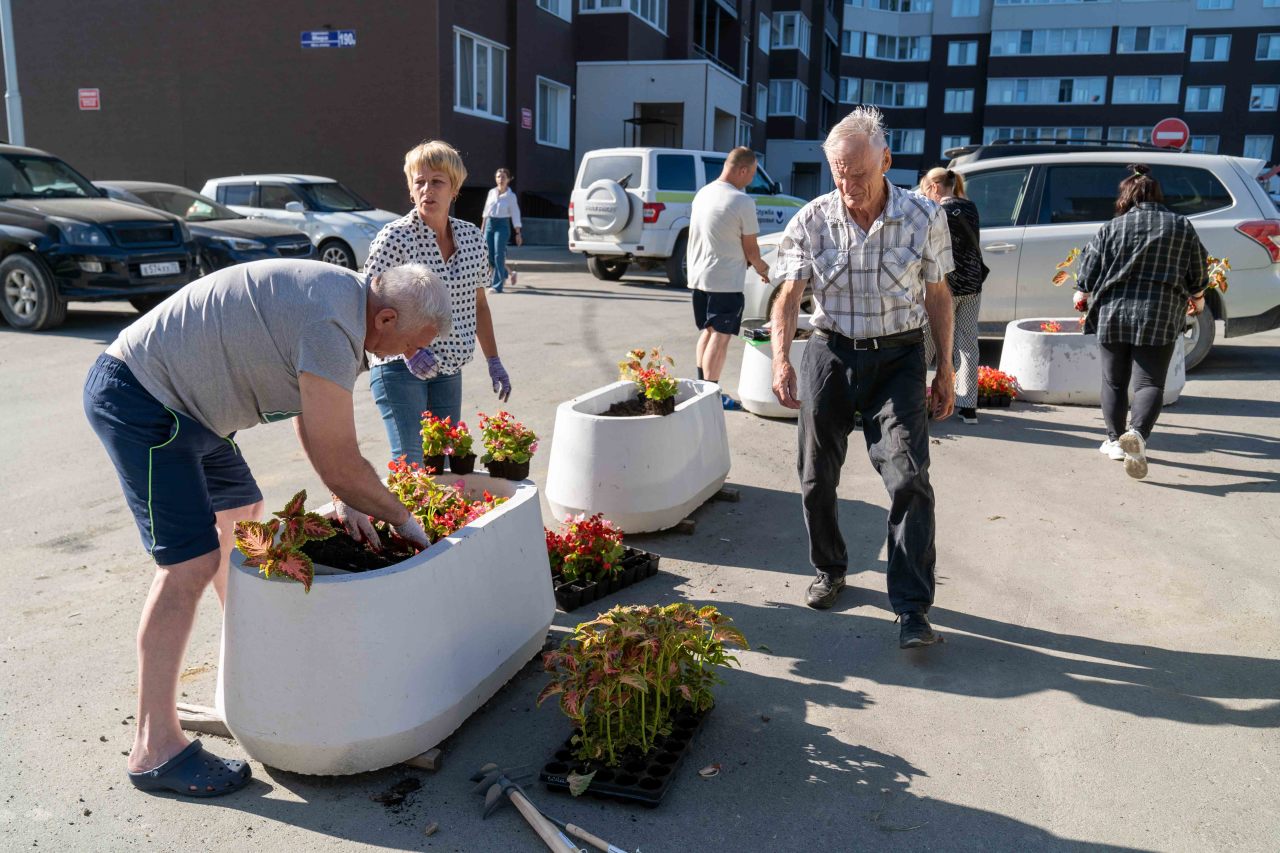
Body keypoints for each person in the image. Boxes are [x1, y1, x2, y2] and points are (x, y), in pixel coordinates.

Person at [83, 258, 450, 797]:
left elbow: (313, 413)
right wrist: (400, 517)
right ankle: (154, 747)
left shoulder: (344, 302)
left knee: (241, 509)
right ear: (388, 318)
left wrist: (344, 497)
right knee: (190, 564)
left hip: (190, 412)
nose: (410, 357)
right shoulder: (334, 327)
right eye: (413, 343)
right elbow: (339, 457)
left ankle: (251, 664)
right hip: (144, 402)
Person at [769, 106, 956, 649]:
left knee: (908, 478)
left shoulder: (924, 216)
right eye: (838, 173)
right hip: (830, 353)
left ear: (886, 161)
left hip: (898, 357)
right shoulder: (811, 219)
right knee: (814, 475)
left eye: (858, 173)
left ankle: (913, 609)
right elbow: (787, 296)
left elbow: (938, 294)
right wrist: (782, 358)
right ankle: (830, 568)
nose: (848, 185)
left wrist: (944, 366)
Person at [366, 141, 511, 466]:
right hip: (399, 367)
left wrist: (493, 360)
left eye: (437, 182)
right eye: (419, 181)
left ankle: (429, 520)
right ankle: (400, 519)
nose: (427, 190)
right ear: (410, 188)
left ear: (454, 188)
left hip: (449, 369)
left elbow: (479, 304)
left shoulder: (473, 238)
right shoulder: (395, 238)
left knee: (442, 463)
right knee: (411, 462)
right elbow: (369, 308)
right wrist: (409, 351)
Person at [1073, 164, 1208, 480]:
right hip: (1159, 312)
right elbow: (1198, 271)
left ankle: (1114, 441)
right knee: (1149, 382)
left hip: (1113, 311)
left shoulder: (1112, 227)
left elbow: (1088, 271)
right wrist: (1198, 298)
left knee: (1114, 381)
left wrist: (1081, 293)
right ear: (1159, 196)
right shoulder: (1181, 226)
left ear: (1126, 195)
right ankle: (1138, 434)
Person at [688, 146, 770, 410]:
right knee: (720, 337)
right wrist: (763, 269)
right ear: (743, 170)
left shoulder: (703, 193)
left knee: (708, 331)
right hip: (724, 280)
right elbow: (751, 249)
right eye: (752, 175)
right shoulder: (742, 201)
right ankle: (711, 396)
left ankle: (701, 387)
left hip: (699, 277)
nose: (751, 180)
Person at [919, 167, 987, 425]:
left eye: (926, 190)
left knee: (927, 341)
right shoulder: (971, 207)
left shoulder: (937, 212)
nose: (926, 196)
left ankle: (918, 399)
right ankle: (968, 407)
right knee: (967, 344)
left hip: (943, 288)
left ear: (935, 188)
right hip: (972, 286)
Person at [481, 167, 523, 293]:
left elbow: (515, 214)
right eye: (498, 176)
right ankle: (507, 273)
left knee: (499, 254)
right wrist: (483, 227)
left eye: (503, 177)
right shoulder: (491, 192)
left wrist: (518, 233)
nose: (500, 179)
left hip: (502, 225)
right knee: (488, 255)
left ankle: (497, 285)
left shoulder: (511, 196)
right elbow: (486, 211)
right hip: (489, 223)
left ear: (508, 180)